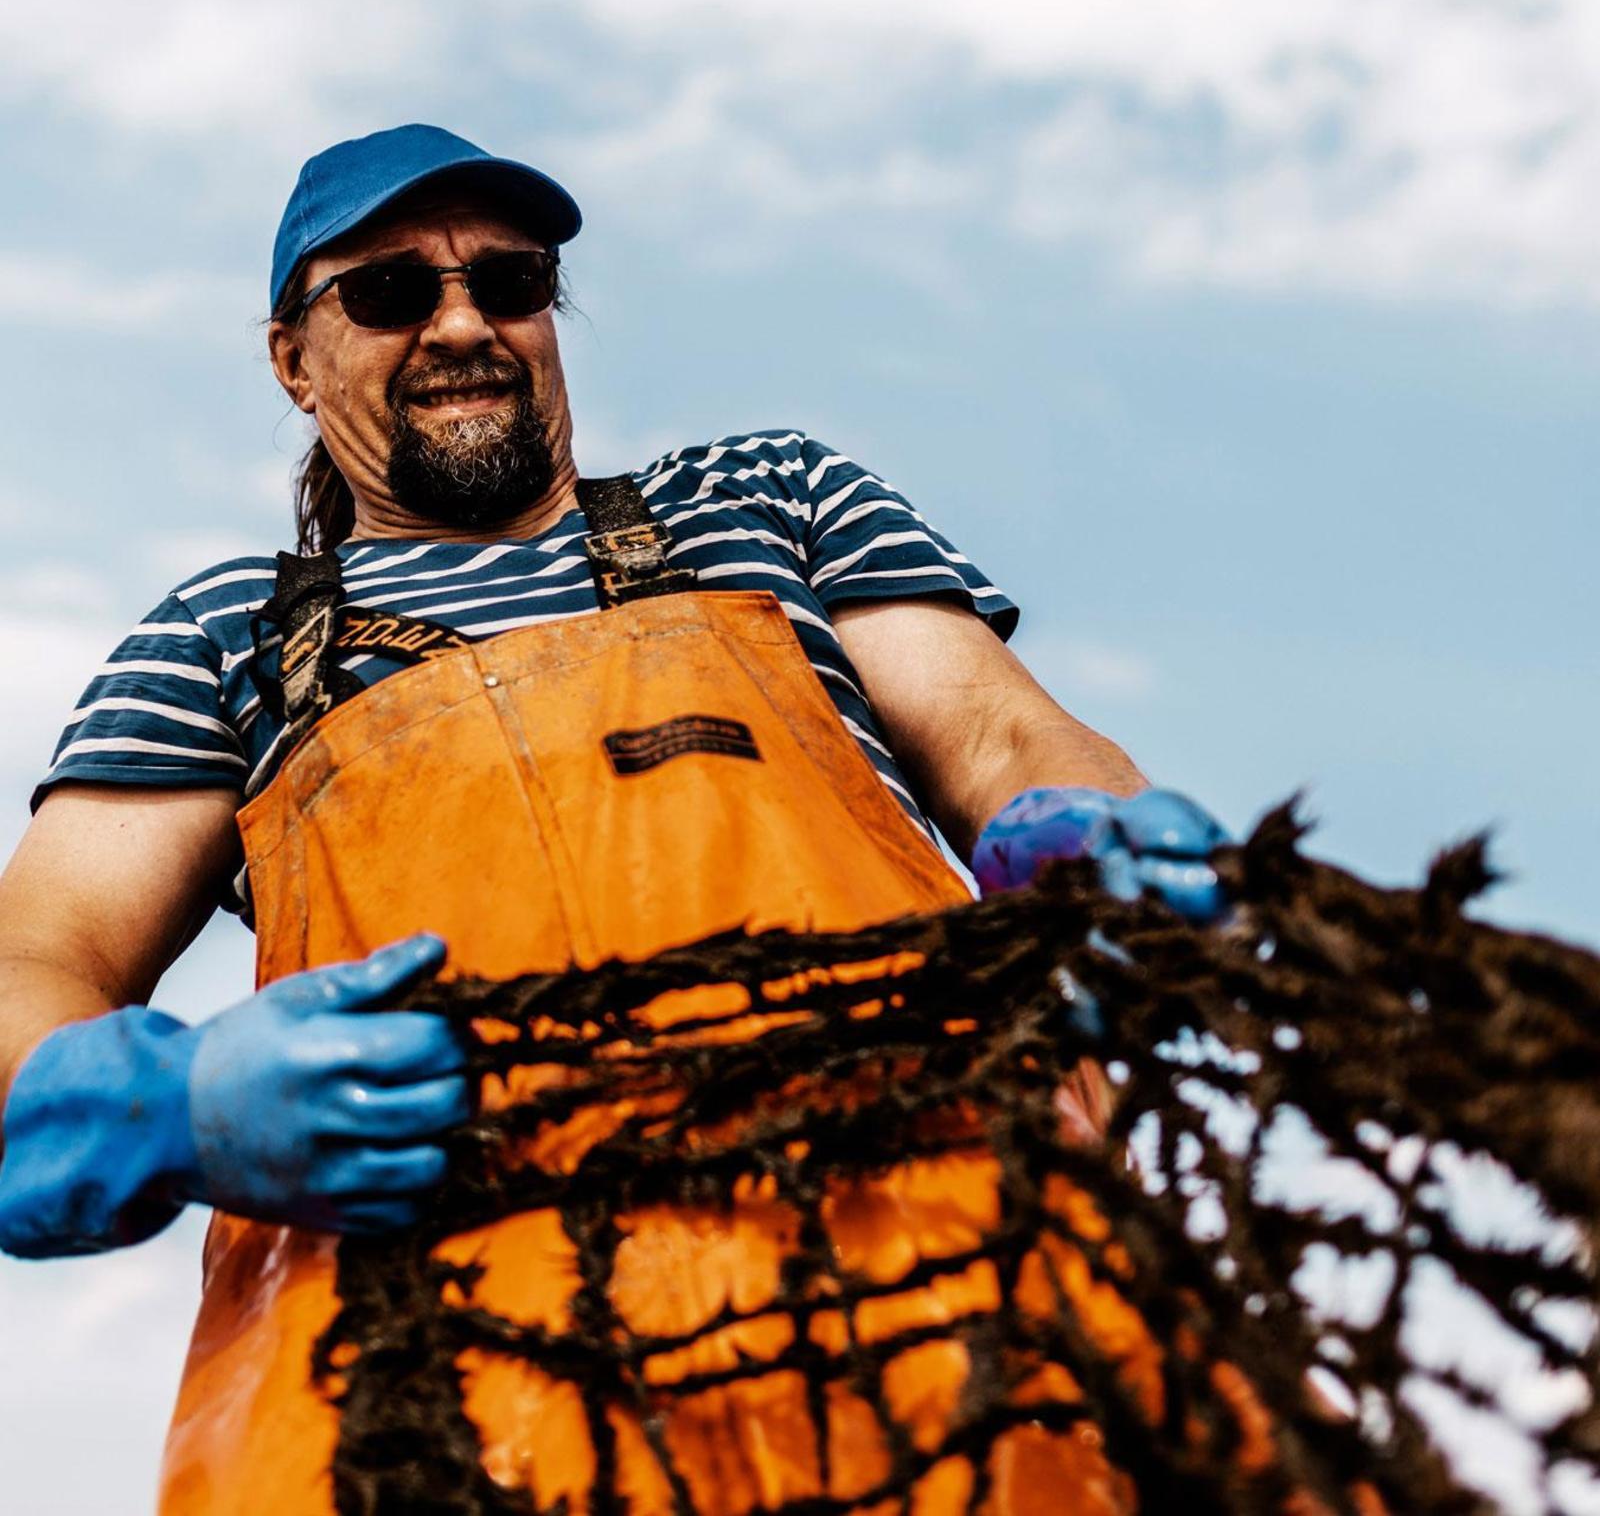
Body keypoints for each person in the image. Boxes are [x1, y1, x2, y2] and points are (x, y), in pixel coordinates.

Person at [0, 125, 1228, 1512]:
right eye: (393, 293)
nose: (463, 322)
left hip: (958, 1298)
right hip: (454, 1379)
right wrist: (161, 1101)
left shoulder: (768, 504)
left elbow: (1001, 730)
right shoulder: (225, 638)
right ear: (294, 357)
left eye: (509, 281)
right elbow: (38, 959)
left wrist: (1080, 818)